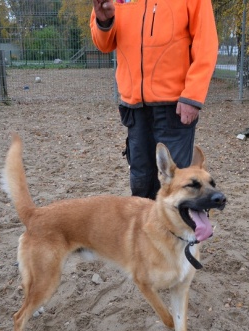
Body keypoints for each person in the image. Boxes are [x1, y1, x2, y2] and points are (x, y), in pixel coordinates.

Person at [90, 0, 219, 199]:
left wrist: (192, 96)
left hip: (175, 107)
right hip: (135, 108)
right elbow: (104, 44)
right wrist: (104, 22)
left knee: (178, 187)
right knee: (140, 183)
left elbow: (206, 44)